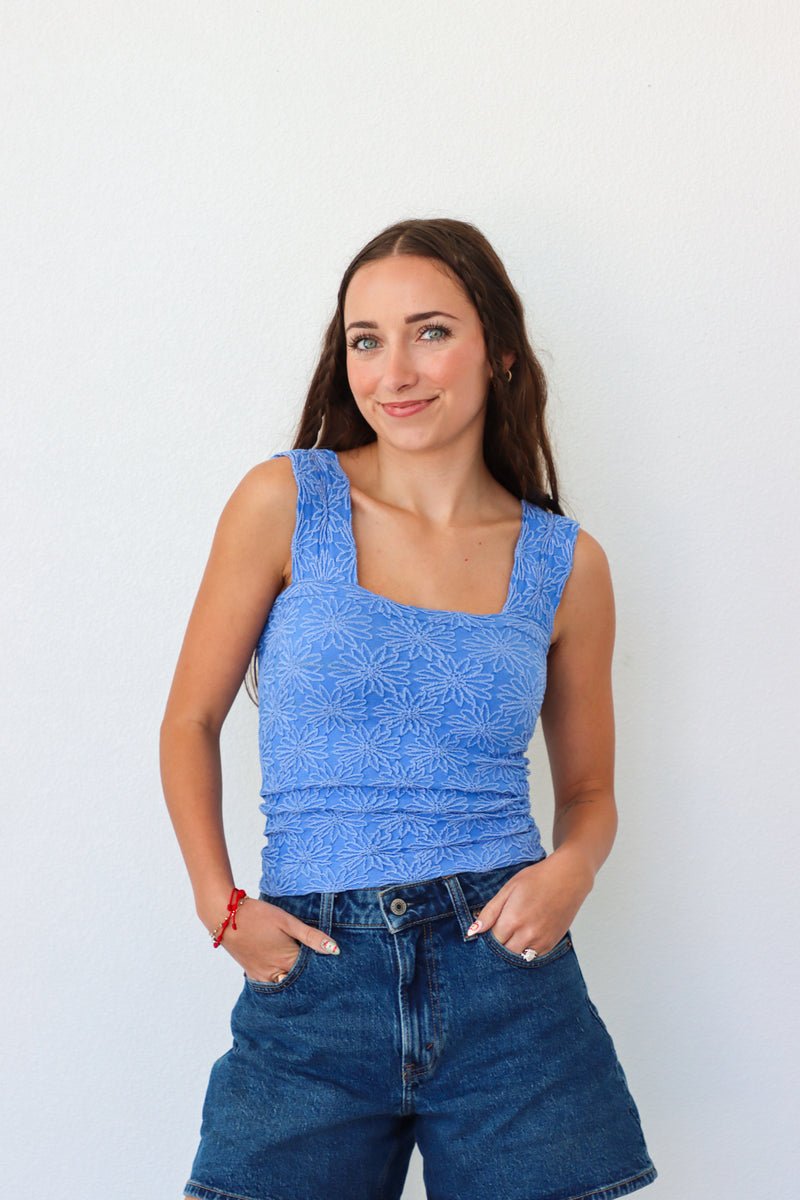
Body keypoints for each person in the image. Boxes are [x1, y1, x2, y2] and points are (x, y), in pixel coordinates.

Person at [160, 217, 657, 1200]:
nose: (395, 371)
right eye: (365, 339)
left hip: (506, 982)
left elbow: (591, 789)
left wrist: (571, 872)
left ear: (498, 353)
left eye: (429, 331)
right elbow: (189, 722)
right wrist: (220, 906)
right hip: (311, 980)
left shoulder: (567, 565)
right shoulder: (282, 503)